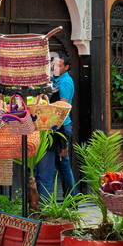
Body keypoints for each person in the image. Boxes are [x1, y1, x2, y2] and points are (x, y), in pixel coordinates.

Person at [34, 52, 76, 200]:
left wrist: (58, 133)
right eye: (54, 64)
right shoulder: (54, 80)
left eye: (59, 65)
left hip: (61, 127)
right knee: (63, 165)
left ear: (66, 67)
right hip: (52, 127)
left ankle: (71, 200)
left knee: (63, 166)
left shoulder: (65, 82)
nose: (55, 67)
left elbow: (61, 108)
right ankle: (71, 200)